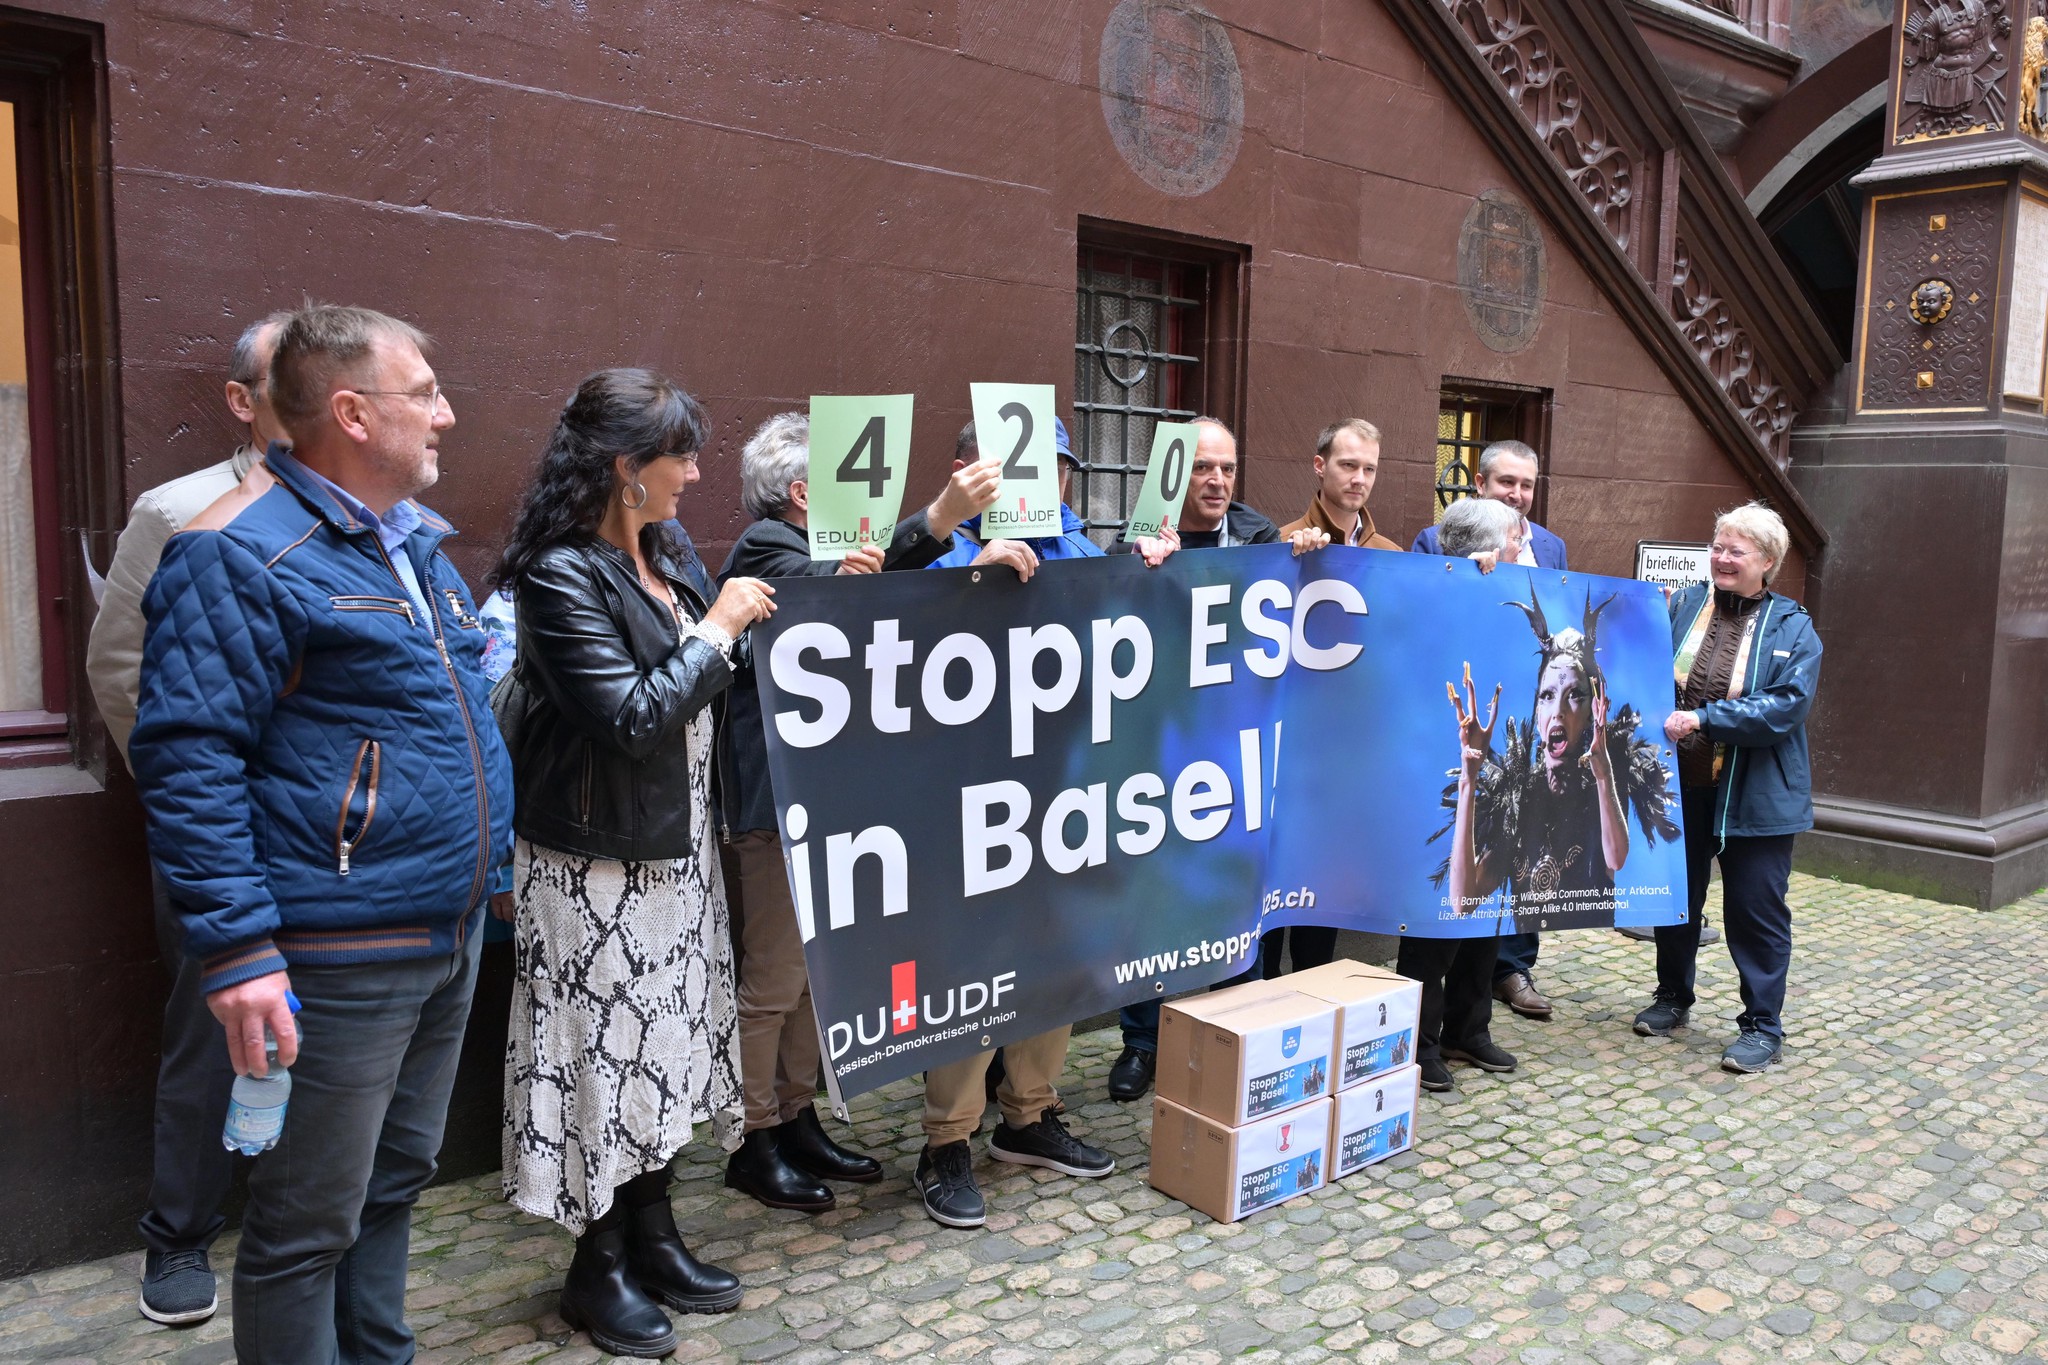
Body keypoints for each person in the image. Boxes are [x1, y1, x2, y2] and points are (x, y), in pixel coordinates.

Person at [128, 304, 513, 1363]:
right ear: (351, 411)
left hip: (442, 931)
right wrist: (240, 951)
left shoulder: (414, 552)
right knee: (304, 1228)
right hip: (334, 953)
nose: (445, 414)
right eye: (424, 392)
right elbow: (187, 758)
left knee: (391, 1189)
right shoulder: (241, 555)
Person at [492, 369, 777, 1357]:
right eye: (680, 456)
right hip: (595, 868)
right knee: (601, 1060)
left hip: (675, 851)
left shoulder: (664, 548)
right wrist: (720, 627)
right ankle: (595, 1266)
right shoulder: (559, 575)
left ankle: (654, 1235)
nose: (697, 472)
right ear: (624, 470)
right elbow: (628, 717)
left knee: (665, 1051)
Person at [717, 411, 998, 1212]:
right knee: (773, 978)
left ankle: (797, 1114)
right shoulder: (770, 550)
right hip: (775, 801)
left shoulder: (827, 555)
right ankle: (753, 1136)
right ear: (804, 490)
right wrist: (938, 516)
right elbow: (826, 598)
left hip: (828, 799)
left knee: (814, 977)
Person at [913, 416, 1180, 1226]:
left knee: (1060, 951)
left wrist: (1146, 571)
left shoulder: (1077, 551)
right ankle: (946, 1139)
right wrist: (967, 574)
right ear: (971, 471)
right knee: (975, 962)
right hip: (970, 798)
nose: (1047, 481)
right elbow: (889, 626)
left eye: (1059, 466)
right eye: (1029, 465)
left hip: (1066, 796)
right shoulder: (942, 546)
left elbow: (1123, 638)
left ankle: (1029, 1114)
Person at [83, 311, 289, 1327]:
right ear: (242, 402)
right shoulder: (179, 511)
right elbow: (119, 669)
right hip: (222, 828)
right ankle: (178, 1239)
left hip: (329, 838)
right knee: (212, 1039)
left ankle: (293, 1226)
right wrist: (194, 799)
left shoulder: (374, 514)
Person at [1633, 504, 1820, 1075]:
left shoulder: (1793, 625)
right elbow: (1636, 661)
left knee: (1755, 911)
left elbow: (1787, 706)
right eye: (1717, 546)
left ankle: (1763, 1027)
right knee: (1674, 901)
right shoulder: (1684, 604)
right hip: (1680, 787)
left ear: (1767, 561)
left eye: (1735, 550)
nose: (1721, 557)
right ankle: (1672, 998)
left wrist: (1706, 720)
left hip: (1757, 795)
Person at [1412, 441, 1575, 1019]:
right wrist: (1475, 578)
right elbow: (1426, 607)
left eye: (1528, 484)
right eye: (1507, 482)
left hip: (1530, 723)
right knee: (1459, 866)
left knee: (1520, 849)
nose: (1518, 494)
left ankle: (1512, 970)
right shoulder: (1437, 539)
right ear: (1479, 483)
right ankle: (1440, 1014)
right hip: (1465, 723)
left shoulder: (1552, 546)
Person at [1277, 417, 1402, 551]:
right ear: (1320, 466)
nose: (1360, 480)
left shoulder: (1391, 554)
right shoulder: (1281, 546)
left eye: (1369, 469)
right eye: (1349, 465)